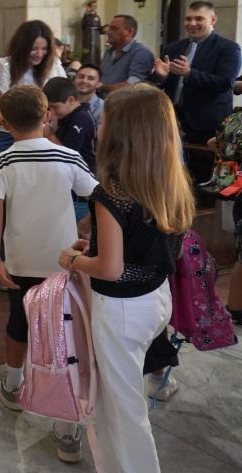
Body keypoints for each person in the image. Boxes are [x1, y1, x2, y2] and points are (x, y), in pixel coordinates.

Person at [57, 84, 193, 472]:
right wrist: (97, 249)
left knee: (124, 407)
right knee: (120, 398)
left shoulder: (112, 193)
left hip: (122, 309)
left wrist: (73, 260)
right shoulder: (167, 180)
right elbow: (157, 247)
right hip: (155, 297)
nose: (98, 126)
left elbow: (110, 269)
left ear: (123, 133)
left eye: (104, 121)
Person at [0, 85, 97, 464]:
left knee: (18, 321)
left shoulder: (2, 161)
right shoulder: (68, 156)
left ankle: (13, 385)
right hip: (65, 263)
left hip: (21, 260)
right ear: (47, 116)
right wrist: (89, 231)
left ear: (5, 122)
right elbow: (98, 197)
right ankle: (68, 430)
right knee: (66, 333)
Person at [152, 0, 242, 145]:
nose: (192, 23)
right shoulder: (173, 48)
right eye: (188, 19)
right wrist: (161, 77)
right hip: (172, 121)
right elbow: (157, 82)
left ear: (213, 20)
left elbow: (225, 83)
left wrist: (189, 73)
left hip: (208, 125)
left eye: (199, 18)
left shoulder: (228, 48)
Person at [0, 19, 65, 157]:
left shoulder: (54, 67)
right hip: (5, 134)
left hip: (41, 135)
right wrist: (19, 126)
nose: (39, 54)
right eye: (34, 49)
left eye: (44, 49)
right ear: (21, 46)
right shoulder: (1, 67)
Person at [43, 77, 97, 172]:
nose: (52, 111)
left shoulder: (81, 118)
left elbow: (68, 156)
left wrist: (50, 135)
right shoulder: (67, 114)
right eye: (49, 108)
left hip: (83, 174)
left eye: (55, 107)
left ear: (71, 100)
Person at [97, 14, 154, 97]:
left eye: (114, 28)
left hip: (124, 103)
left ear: (129, 32)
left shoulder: (141, 53)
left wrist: (102, 87)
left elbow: (132, 86)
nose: (108, 32)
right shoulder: (109, 51)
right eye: (109, 28)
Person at [74, 63, 104, 127]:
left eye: (90, 78)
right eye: (81, 77)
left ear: (98, 84)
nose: (84, 81)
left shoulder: (103, 109)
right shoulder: (65, 101)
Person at [82, 0, 103, 65]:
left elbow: (100, 27)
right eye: (93, 6)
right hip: (88, 35)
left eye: (96, 6)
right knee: (88, 50)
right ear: (89, 7)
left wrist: (104, 29)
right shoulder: (86, 16)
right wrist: (86, 14)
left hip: (96, 36)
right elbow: (83, 25)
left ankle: (96, 63)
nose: (94, 7)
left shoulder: (97, 17)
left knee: (95, 50)